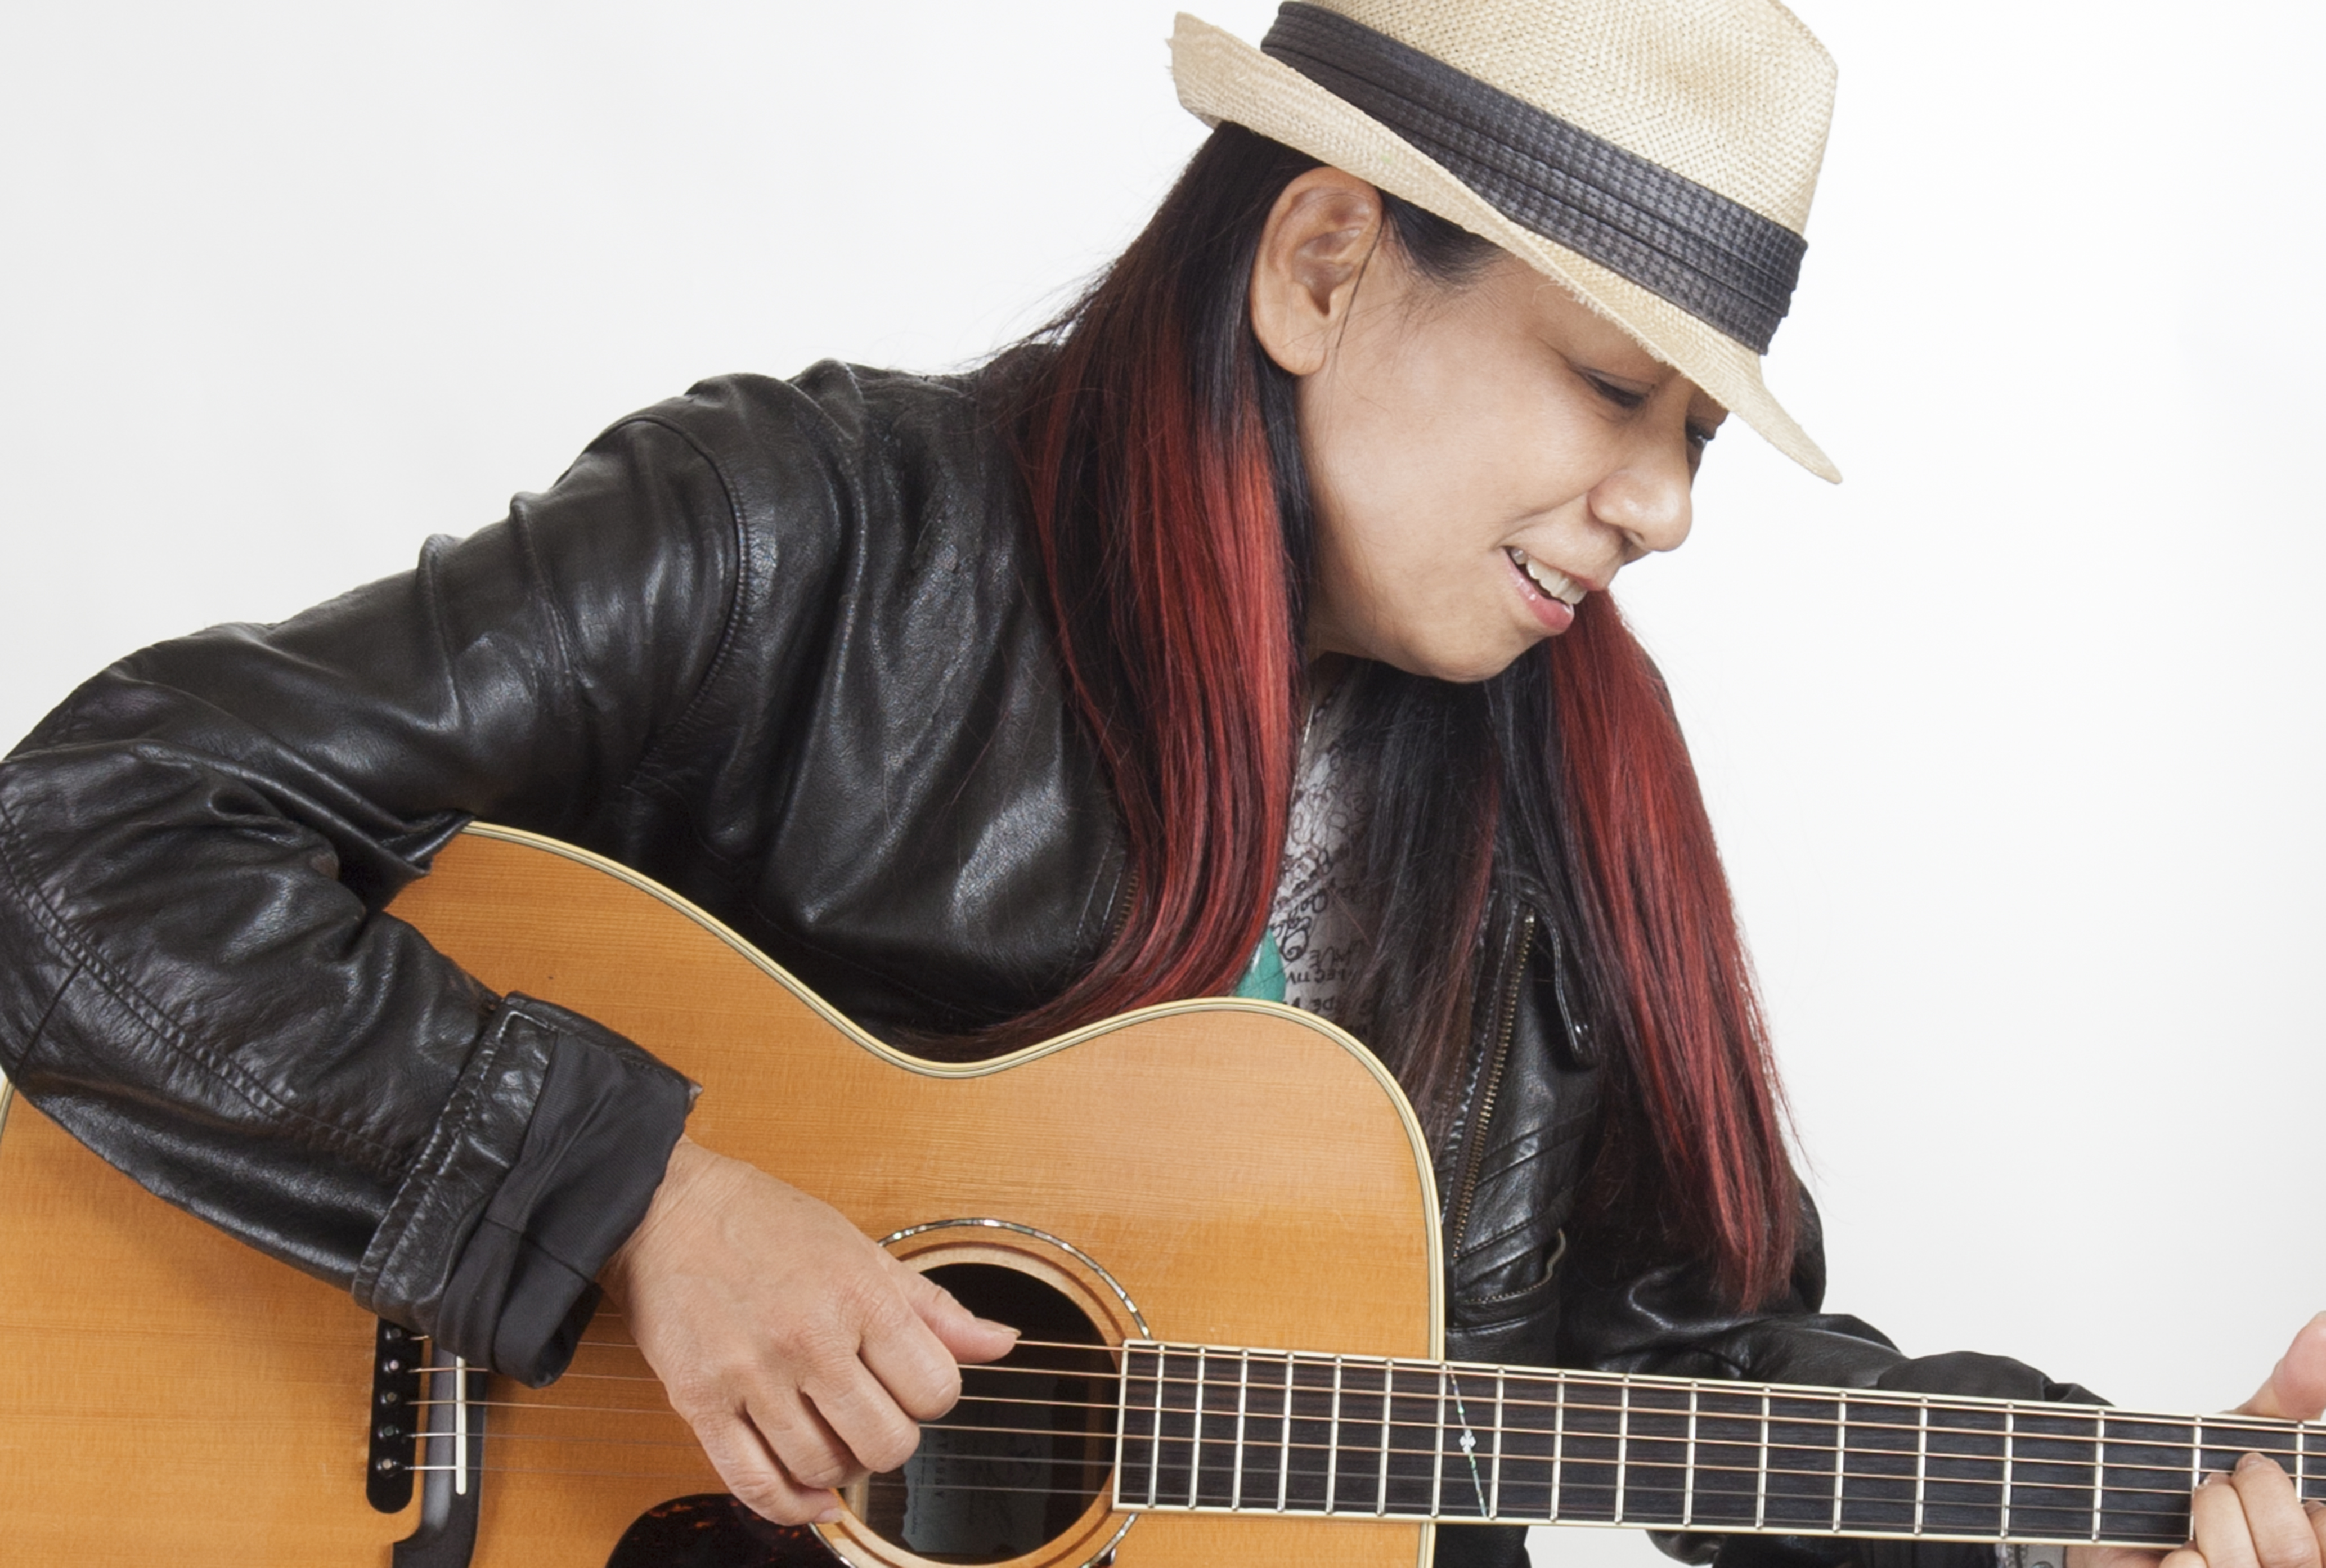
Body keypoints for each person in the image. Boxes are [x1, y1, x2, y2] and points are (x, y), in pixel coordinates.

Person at [0, 4, 2317, 1568]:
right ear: (1322, 261)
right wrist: (649, 1209)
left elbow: (1684, 1364)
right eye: (1616, 390)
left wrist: (2119, 1503)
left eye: (1695, 436)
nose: (1666, 509)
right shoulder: (803, 532)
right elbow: (87, 838)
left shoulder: (1565, 808)